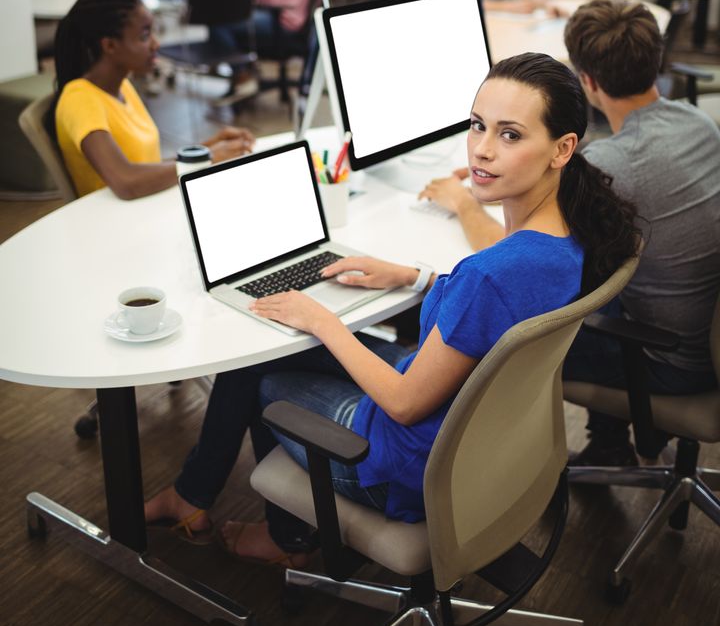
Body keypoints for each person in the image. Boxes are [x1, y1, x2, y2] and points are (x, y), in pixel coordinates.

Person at [144, 52, 638, 563]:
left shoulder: (490, 275)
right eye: (477, 125)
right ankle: (195, 498)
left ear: (562, 149)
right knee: (287, 344)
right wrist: (413, 276)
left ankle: (284, 537)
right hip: (472, 438)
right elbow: (496, 300)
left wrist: (322, 320)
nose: (482, 150)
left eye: (510, 135)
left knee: (263, 374)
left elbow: (404, 404)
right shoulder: (566, 238)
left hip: (401, 467)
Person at [560, 0, 720, 466]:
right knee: (602, 277)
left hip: (672, 362)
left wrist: (462, 202)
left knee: (512, 342)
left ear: (587, 81)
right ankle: (609, 446)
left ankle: (528, 483)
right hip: (702, 331)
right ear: (656, 61)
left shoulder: (609, 165)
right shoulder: (700, 123)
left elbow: (527, 250)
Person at [52, 0, 255, 199]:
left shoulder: (122, 86)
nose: (155, 44)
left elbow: (146, 167)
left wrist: (207, 149)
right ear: (110, 45)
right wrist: (210, 158)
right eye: (144, 36)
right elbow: (127, 182)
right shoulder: (80, 100)